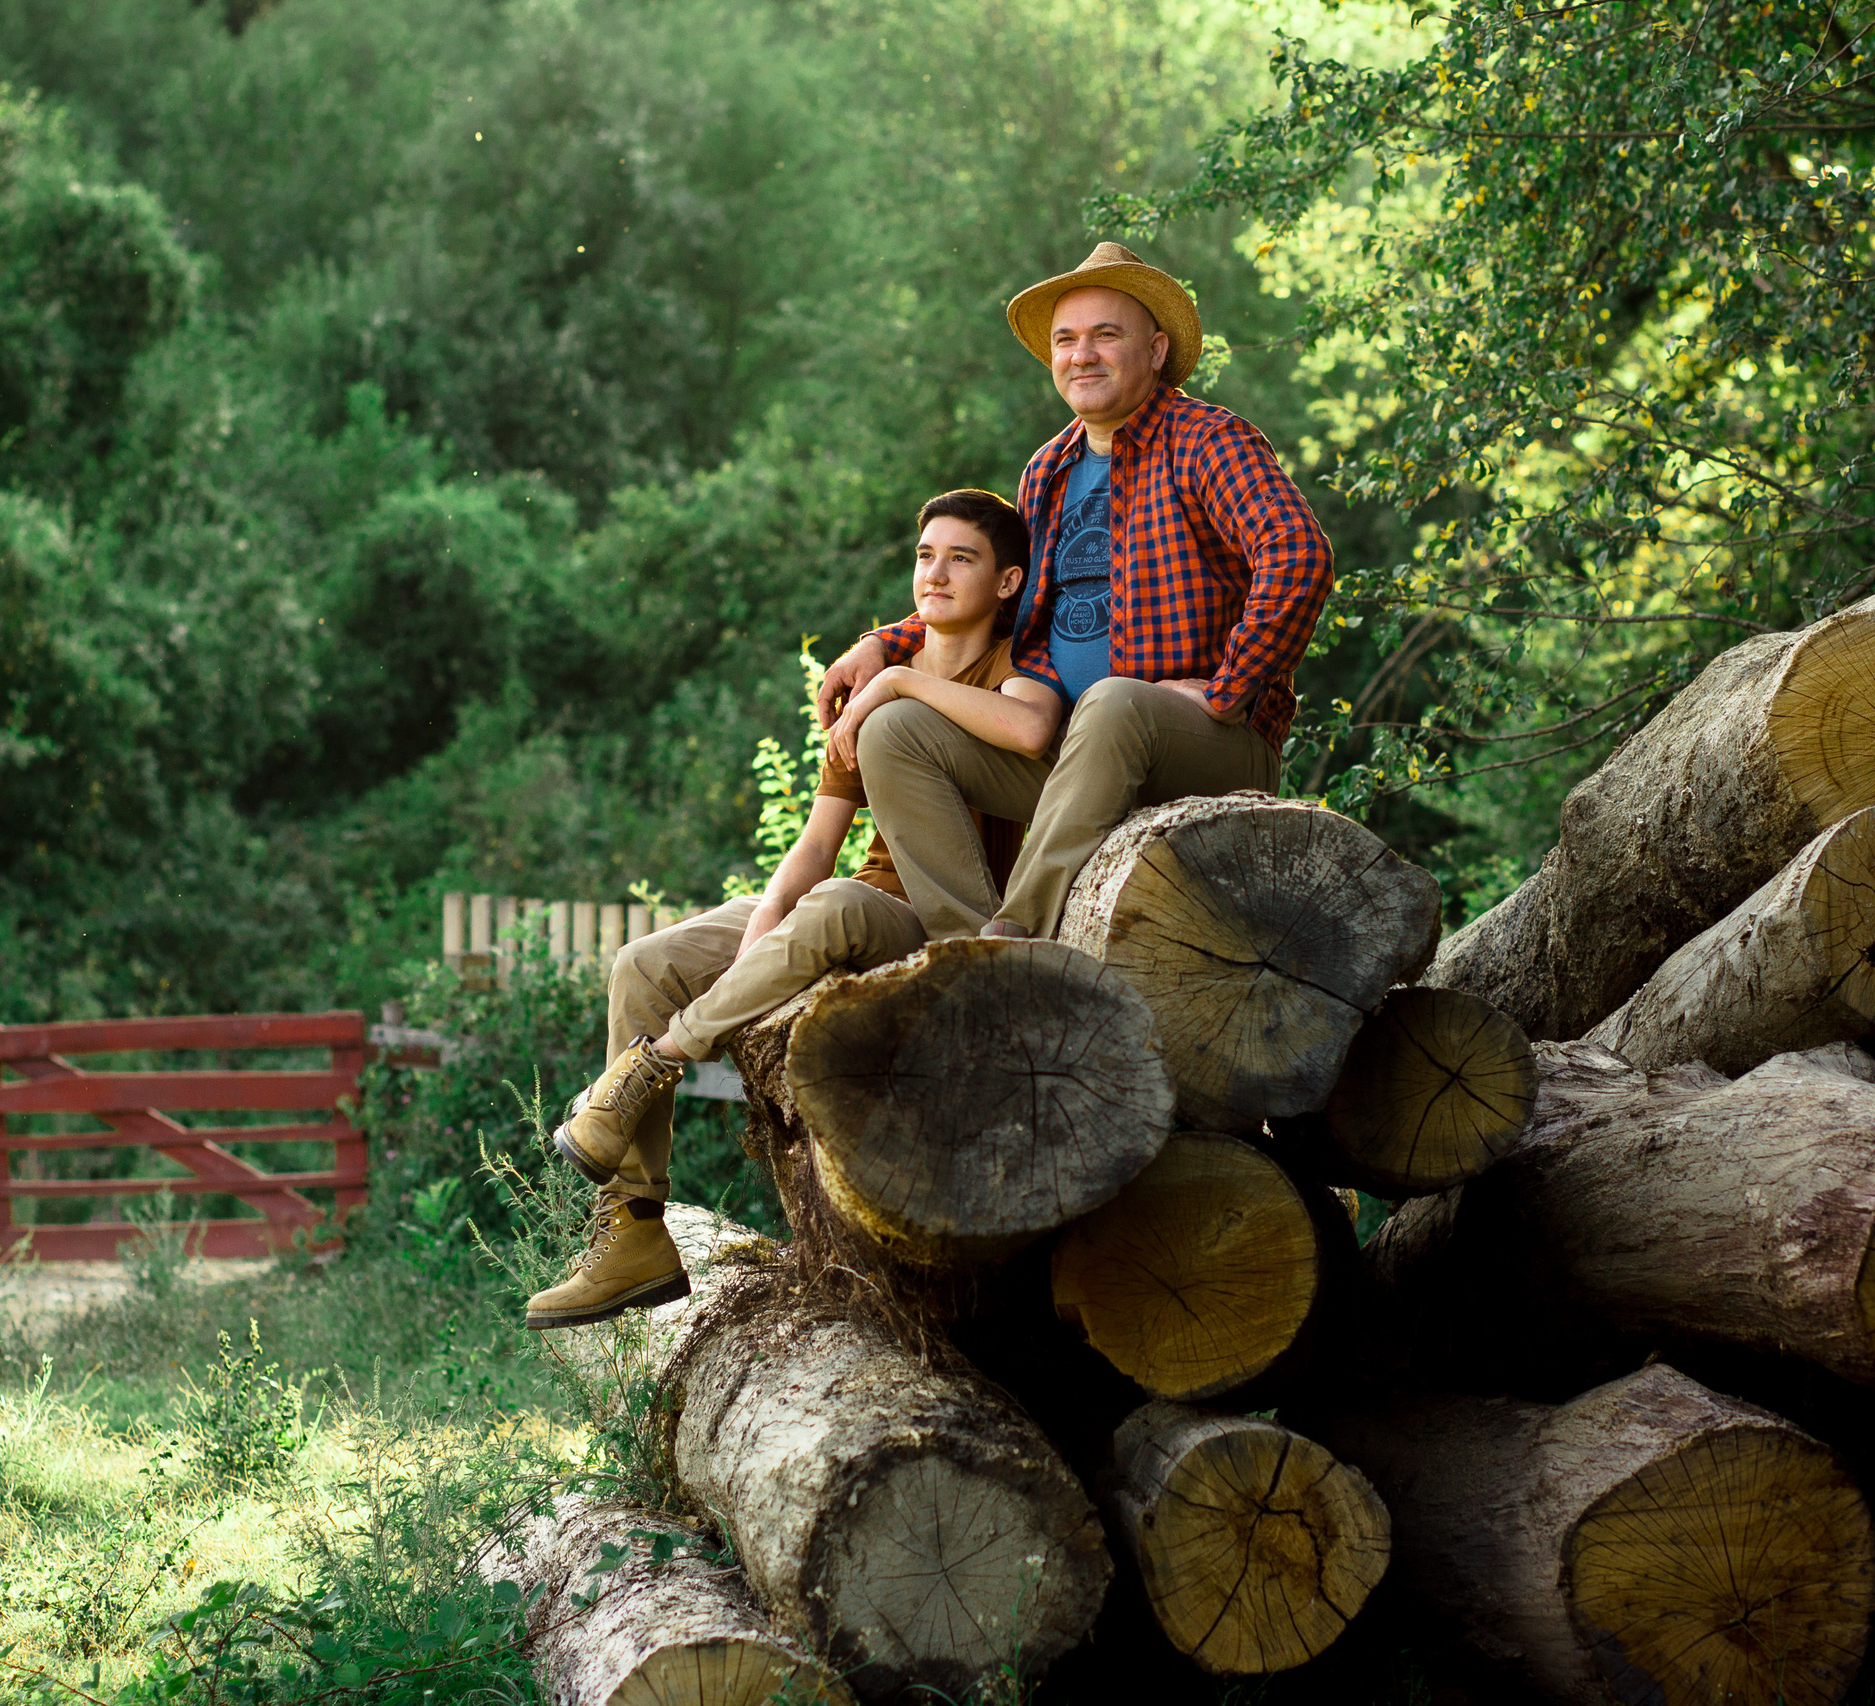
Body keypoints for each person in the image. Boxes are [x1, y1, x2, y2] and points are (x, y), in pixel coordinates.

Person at [527, 489, 1062, 1329]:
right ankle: (632, 1230)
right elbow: (815, 847)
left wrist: (891, 681)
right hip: (857, 896)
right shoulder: (884, 676)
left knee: (839, 904)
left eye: (962, 558)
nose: (937, 573)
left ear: (1005, 582)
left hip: (948, 919)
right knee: (646, 963)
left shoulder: (1016, 662)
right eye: (926, 555)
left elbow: (1033, 730)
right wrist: (760, 933)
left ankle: (655, 1061)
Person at [816, 242, 1333, 942]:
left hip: (1207, 745)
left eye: (1105, 335)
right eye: (1066, 339)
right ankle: (972, 952)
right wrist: (883, 644)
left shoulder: (1208, 441)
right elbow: (998, 595)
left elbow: (1297, 553)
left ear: (1155, 351)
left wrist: (1227, 690)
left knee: (1116, 698)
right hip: (1071, 752)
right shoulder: (1048, 469)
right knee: (895, 730)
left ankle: (1018, 933)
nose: (1081, 354)